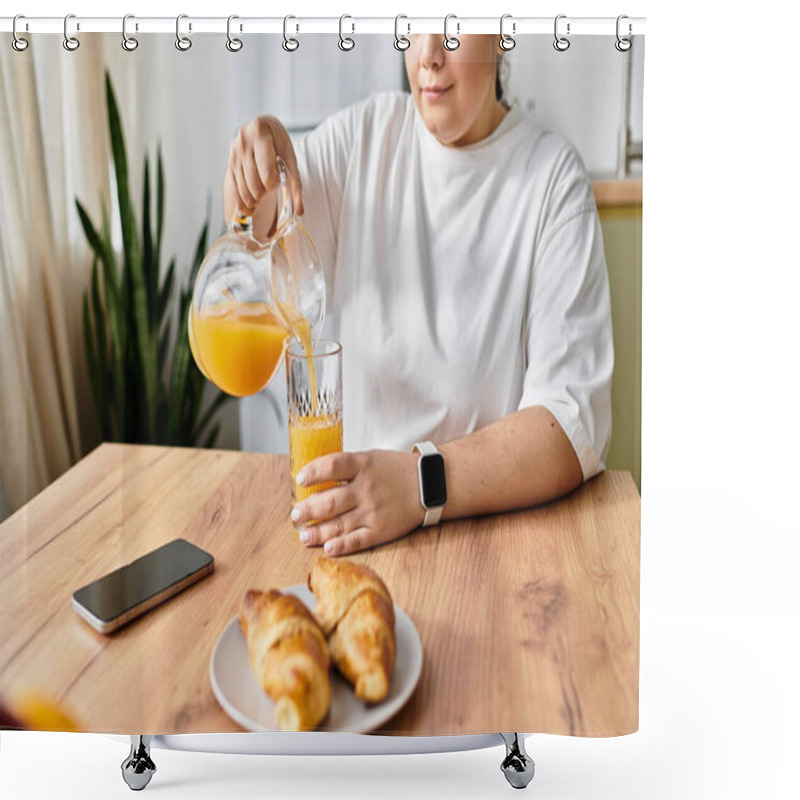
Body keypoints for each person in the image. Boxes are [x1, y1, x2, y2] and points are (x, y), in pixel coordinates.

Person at [223, 35, 613, 557]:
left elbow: (570, 425)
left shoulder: (550, 179)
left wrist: (417, 482)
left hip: (486, 547)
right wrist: (254, 172)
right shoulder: (361, 140)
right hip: (349, 541)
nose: (428, 51)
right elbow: (264, 242)